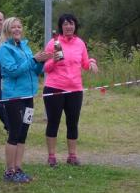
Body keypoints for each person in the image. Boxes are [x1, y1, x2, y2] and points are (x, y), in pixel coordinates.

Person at [0, 17, 50, 183]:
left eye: (19, 27)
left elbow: (34, 70)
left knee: (23, 133)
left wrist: (41, 62)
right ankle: (9, 171)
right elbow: (13, 71)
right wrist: (33, 60)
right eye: (13, 27)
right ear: (7, 30)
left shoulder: (24, 46)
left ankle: (18, 168)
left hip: (28, 96)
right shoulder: (4, 49)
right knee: (15, 132)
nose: (17, 29)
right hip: (14, 97)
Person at [42, 13, 98, 167]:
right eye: (65, 24)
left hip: (75, 90)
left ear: (75, 26)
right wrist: (54, 60)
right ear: (61, 27)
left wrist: (92, 62)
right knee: (53, 122)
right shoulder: (54, 43)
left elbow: (85, 63)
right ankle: (51, 156)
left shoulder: (80, 43)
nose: (68, 26)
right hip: (55, 88)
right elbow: (45, 68)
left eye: (71, 23)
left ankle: (72, 156)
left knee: (73, 123)